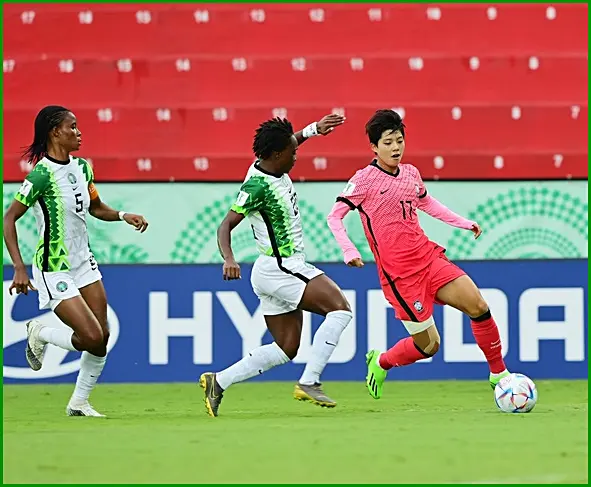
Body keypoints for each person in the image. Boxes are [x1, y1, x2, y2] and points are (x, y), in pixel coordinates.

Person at [326, 109, 509, 400]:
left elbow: (428, 203)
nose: (396, 147)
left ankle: (499, 374)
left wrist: (463, 222)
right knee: (429, 346)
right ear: (374, 147)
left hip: (428, 258)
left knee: (478, 304)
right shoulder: (363, 181)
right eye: (388, 142)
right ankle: (381, 361)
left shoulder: (410, 173)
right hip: (400, 276)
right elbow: (334, 217)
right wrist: (349, 249)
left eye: (399, 140)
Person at [200, 114, 353, 417]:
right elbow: (225, 225)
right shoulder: (257, 186)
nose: (296, 154)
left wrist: (313, 131)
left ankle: (218, 382)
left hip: (271, 270)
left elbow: (291, 140)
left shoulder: (269, 161)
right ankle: (309, 382)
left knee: (286, 348)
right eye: (292, 152)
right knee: (340, 309)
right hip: (280, 266)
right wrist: (229, 258)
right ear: (276, 154)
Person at [3, 105, 149, 416]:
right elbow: (9, 219)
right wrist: (18, 266)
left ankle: (79, 403)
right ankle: (40, 332)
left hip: (84, 262)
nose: (78, 132)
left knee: (102, 337)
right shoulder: (41, 175)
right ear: (55, 132)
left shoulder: (83, 168)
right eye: (72, 127)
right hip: (53, 267)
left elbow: (96, 208)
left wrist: (123, 216)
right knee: (91, 336)